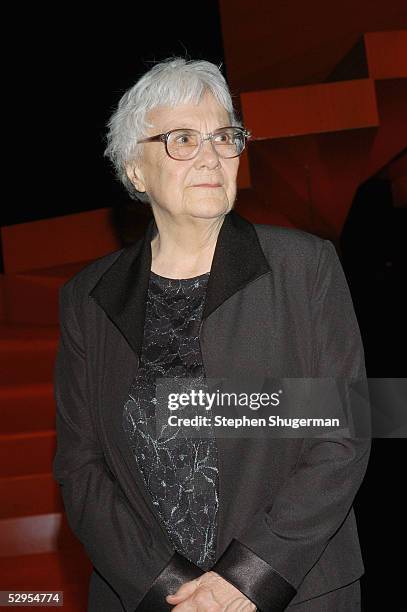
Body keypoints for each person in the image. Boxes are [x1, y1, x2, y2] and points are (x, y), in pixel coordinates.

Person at [52, 58, 371, 611]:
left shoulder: (304, 267)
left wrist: (244, 580)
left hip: (295, 588)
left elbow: (341, 436)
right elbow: (81, 468)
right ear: (136, 170)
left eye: (224, 136)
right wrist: (167, 588)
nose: (211, 155)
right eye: (182, 138)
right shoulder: (86, 298)